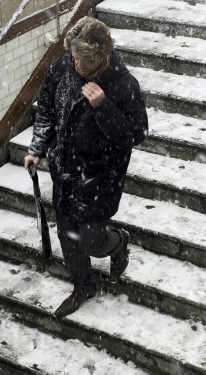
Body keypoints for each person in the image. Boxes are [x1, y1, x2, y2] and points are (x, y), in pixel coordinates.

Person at [23, 16, 148, 318]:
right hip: (65, 171)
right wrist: (38, 147)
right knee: (68, 236)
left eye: (80, 60)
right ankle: (83, 285)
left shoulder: (122, 84)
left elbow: (137, 134)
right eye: (73, 56)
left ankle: (118, 242)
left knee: (91, 239)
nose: (74, 63)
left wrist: (104, 107)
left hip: (100, 178)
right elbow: (47, 109)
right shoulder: (63, 66)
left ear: (101, 59)